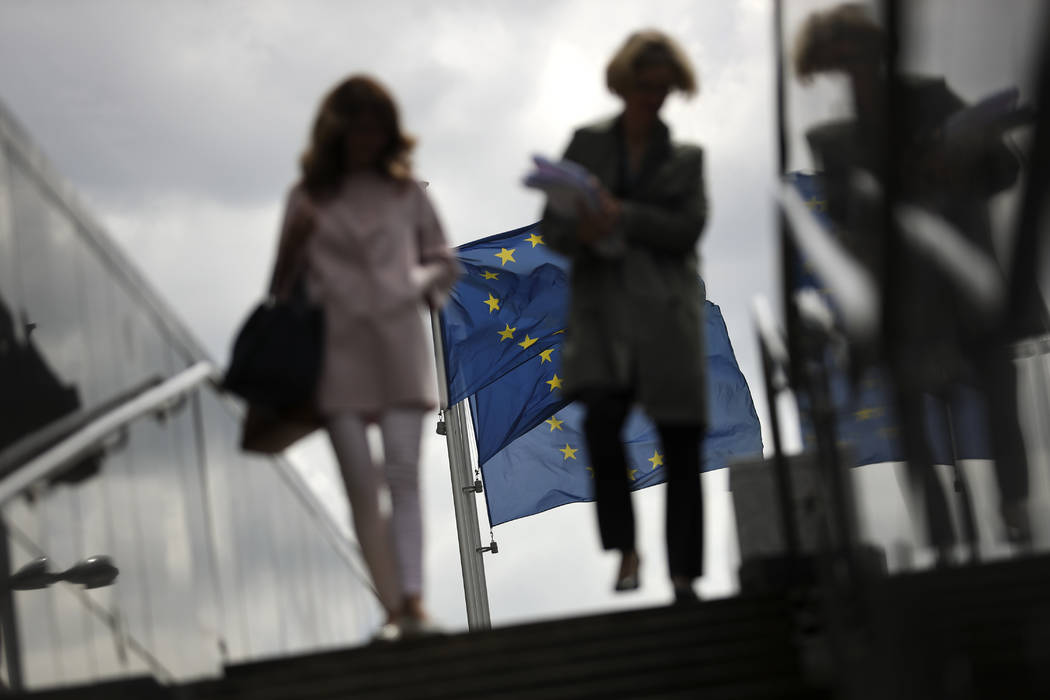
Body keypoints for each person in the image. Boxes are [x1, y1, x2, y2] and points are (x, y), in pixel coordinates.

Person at [794, 3, 1045, 556]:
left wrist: (965, 154)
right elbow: (845, 216)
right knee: (914, 426)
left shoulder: (932, 98)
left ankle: (1015, 509)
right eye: (837, 61)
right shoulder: (833, 140)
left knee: (999, 400)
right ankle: (941, 542)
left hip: (964, 285)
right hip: (900, 302)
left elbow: (1005, 169)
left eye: (856, 53)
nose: (851, 70)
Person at [269, 75, 460, 640]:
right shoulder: (307, 198)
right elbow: (281, 290)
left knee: (403, 473)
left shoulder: (408, 193)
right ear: (337, 130)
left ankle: (414, 602)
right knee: (359, 480)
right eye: (357, 126)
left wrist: (413, 278)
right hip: (336, 347)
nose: (367, 136)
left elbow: (444, 262)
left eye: (376, 126)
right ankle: (391, 604)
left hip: (398, 339)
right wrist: (293, 244)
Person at [540, 30, 708, 603]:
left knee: (680, 443)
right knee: (600, 426)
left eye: (663, 88)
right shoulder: (587, 144)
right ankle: (626, 549)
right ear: (625, 83)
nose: (652, 97)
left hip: (666, 317)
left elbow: (687, 229)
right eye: (644, 86)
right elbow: (552, 228)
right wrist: (583, 229)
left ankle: (685, 575)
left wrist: (622, 216)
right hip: (604, 318)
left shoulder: (687, 160)